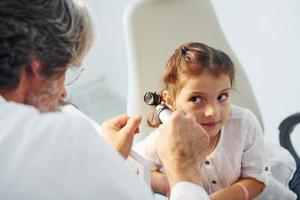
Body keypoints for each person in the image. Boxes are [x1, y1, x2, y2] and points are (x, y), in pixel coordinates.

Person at [0, 0, 210, 199]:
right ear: (35, 67)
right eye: (63, 70)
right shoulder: (61, 141)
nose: (63, 92)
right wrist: (186, 171)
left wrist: (106, 160)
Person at [135, 42, 270, 200]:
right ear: (170, 100)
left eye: (222, 96)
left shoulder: (244, 124)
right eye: (197, 99)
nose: (213, 111)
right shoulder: (167, 138)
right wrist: (170, 183)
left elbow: (257, 180)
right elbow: (135, 166)